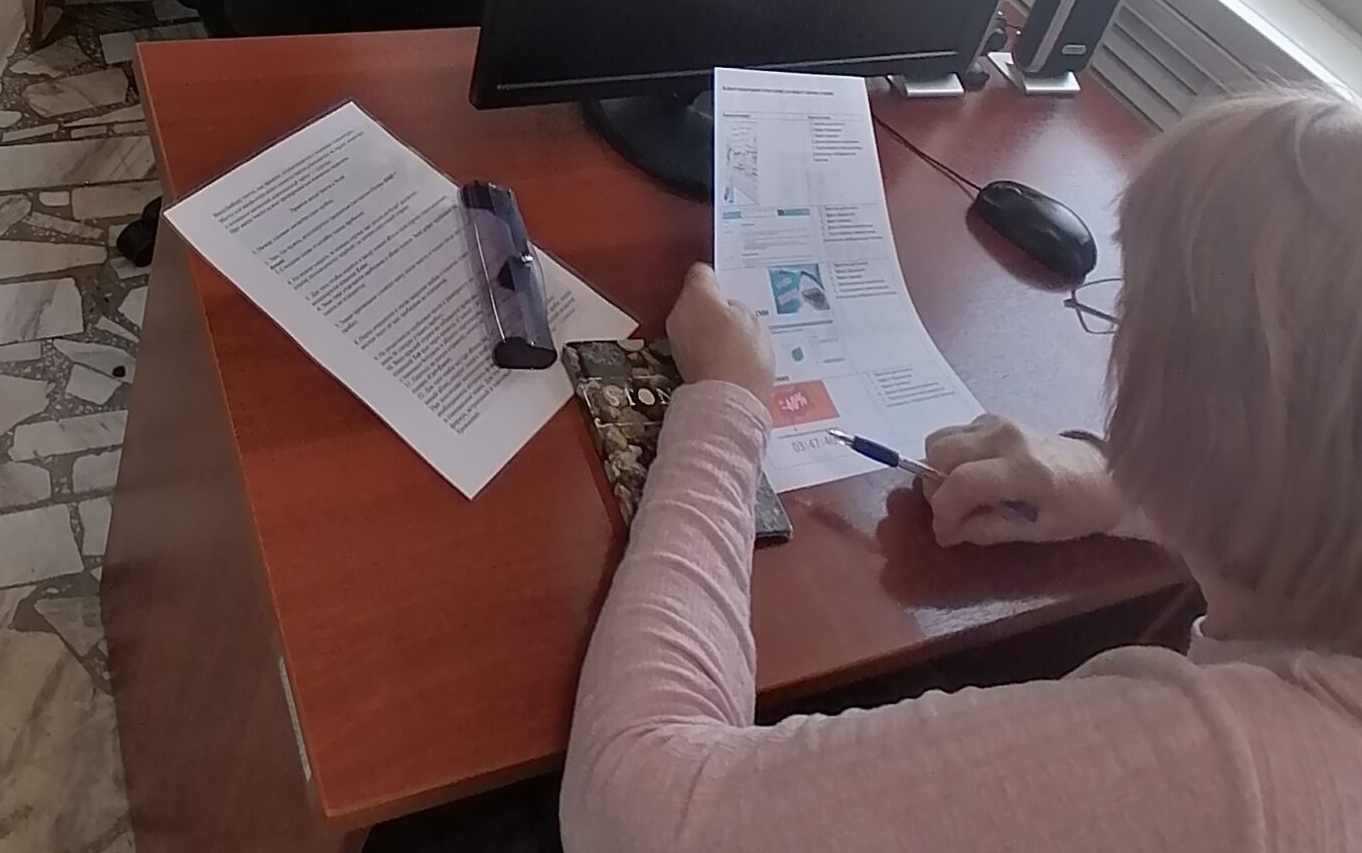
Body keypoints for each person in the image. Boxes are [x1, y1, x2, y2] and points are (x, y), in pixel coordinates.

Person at [562, 88, 1362, 852]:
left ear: (1194, 394)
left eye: (1128, 311)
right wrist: (1122, 484)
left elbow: (640, 816)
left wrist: (725, 404)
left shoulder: (1234, 778)